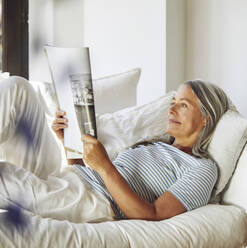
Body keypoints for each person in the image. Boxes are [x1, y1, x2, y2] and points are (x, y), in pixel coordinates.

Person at [0, 76, 229, 223]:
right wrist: (65, 142)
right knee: (18, 88)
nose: (172, 111)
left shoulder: (201, 168)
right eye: (173, 103)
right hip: (68, 179)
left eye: (183, 105)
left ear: (205, 119)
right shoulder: (154, 144)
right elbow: (90, 174)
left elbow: (153, 215)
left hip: (91, 200)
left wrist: (105, 166)